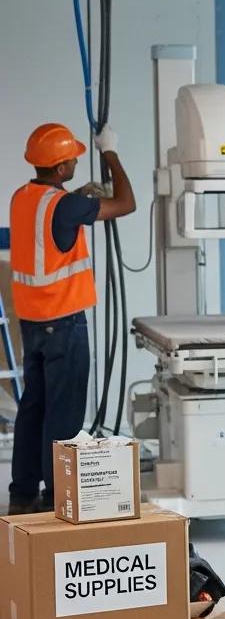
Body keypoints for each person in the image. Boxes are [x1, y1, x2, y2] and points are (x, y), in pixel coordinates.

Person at [8, 123, 135, 514]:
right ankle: (55, 503)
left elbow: (46, 228)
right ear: (61, 167)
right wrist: (111, 153)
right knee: (62, 417)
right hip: (64, 324)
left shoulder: (24, 197)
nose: (79, 159)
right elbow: (126, 203)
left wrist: (76, 199)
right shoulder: (65, 204)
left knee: (34, 408)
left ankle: (23, 494)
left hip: (31, 322)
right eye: (74, 157)